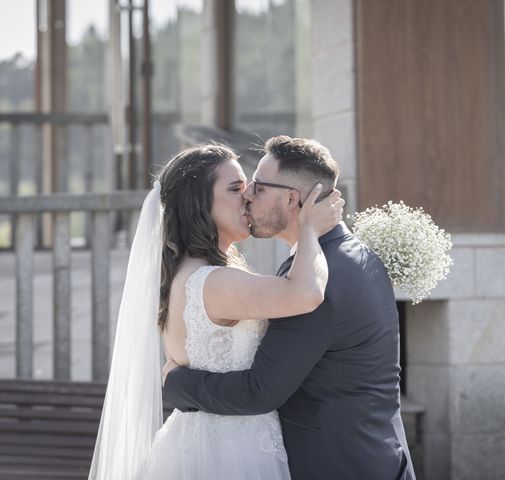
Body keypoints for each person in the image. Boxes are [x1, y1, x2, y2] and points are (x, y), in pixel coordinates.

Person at [164, 135, 416, 480]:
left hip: (338, 464)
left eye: (256, 187)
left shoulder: (322, 276)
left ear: (291, 198)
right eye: (240, 187)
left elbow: (260, 391)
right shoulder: (352, 256)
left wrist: (176, 384)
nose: (249, 196)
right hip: (368, 455)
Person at [89, 142, 344, 480]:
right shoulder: (213, 282)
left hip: (196, 444)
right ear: (200, 204)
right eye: (236, 189)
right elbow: (306, 293)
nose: (249, 196)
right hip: (229, 453)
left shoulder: (186, 274)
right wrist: (310, 228)